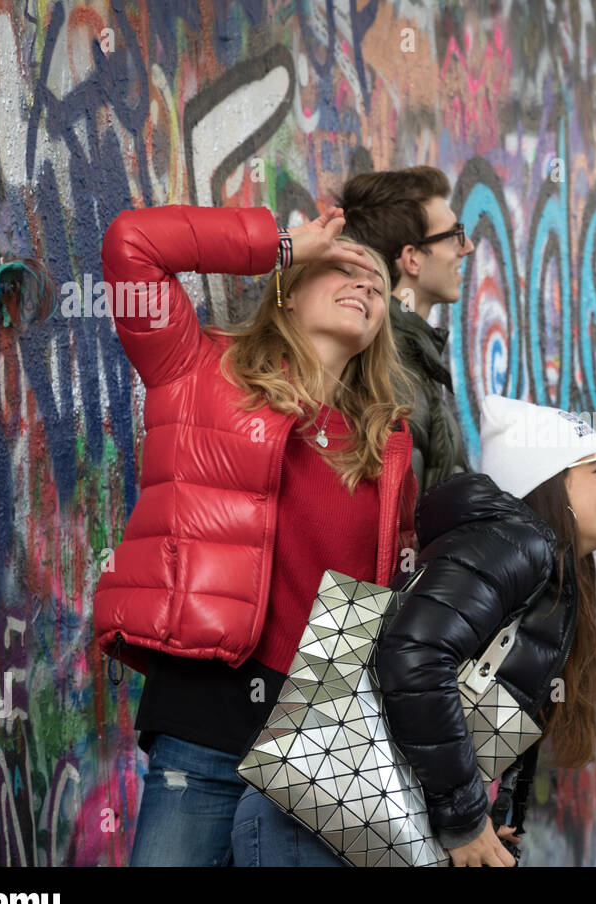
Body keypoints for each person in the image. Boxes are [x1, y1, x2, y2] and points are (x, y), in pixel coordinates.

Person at [92, 203, 417, 866]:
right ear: (289, 290)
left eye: (377, 286)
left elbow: (378, 604)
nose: (363, 286)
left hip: (320, 737)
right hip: (206, 715)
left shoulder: (387, 450)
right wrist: (282, 243)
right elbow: (133, 245)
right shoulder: (197, 372)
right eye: (341, 269)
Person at [231, 396, 596, 866]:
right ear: (551, 478)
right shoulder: (520, 544)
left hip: (336, 822)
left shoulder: (532, 565)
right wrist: (465, 822)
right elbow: (414, 654)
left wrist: (483, 817)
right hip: (312, 827)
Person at [335, 167, 472, 492]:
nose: (468, 247)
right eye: (454, 235)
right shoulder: (393, 370)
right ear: (412, 260)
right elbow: (403, 520)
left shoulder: (410, 355)